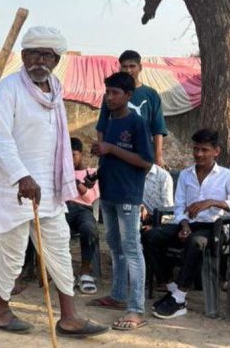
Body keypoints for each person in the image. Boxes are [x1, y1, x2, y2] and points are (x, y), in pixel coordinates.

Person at [0, 26, 106, 338]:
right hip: (14, 188)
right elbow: (2, 139)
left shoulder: (57, 91)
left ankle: (70, 317)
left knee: (59, 248)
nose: (40, 60)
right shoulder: (9, 89)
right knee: (13, 253)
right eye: (35, 53)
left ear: (56, 60)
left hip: (50, 190)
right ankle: (1, 310)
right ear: (23, 55)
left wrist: (41, 181)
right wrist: (22, 176)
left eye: (48, 55)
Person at [144, 128, 230, 319]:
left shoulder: (227, 176)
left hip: (214, 228)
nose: (199, 154)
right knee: (151, 236)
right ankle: (172, 287)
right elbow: (179, 206)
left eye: (204, 150)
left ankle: (180, 297)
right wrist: (183, 225)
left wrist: (213, 202)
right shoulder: (185, 174)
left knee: (196, 242)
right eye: (196, 149)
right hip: (187, 225)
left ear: (216, 151)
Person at [87, 72, 153, 331]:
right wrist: (98, 171)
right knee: (114, 245)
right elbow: (108, 157)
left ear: (128, 95)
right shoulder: (109, 120)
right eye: (108, 92)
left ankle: (136, 309)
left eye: (115, 93)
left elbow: (146, 162)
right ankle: (117, 295)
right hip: (109, 192)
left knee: (132, 249)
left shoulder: (136, 123)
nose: (109, 97)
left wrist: (112, 149)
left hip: (127, 195)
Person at [96, 50, 168, 168]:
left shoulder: (151, 94)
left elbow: (158, 129)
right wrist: (101, 150)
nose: (128, 70)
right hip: (115, 152)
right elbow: (102, 125)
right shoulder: (111, 95)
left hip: (141, 152)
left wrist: (158, 157)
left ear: (140, 67)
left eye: (132, 66)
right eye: (124, 67)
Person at [65, 137, 100, 295]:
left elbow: (90, 198)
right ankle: (66, 271)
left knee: (89, 228)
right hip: (63, 208)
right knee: (55, 229)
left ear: (81, 154)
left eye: (74, 154)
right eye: (67, 155)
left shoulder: (91, 173)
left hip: (83, 209)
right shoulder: (61, 172)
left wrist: (76, 183)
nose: (70, 158)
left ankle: (85, 271)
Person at [140, 164, 174, 233]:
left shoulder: (163, 176)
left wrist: (154, 227)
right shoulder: (132, 173)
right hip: (142, 216)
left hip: (160, 220)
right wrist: (140, 205)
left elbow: (168, 211)